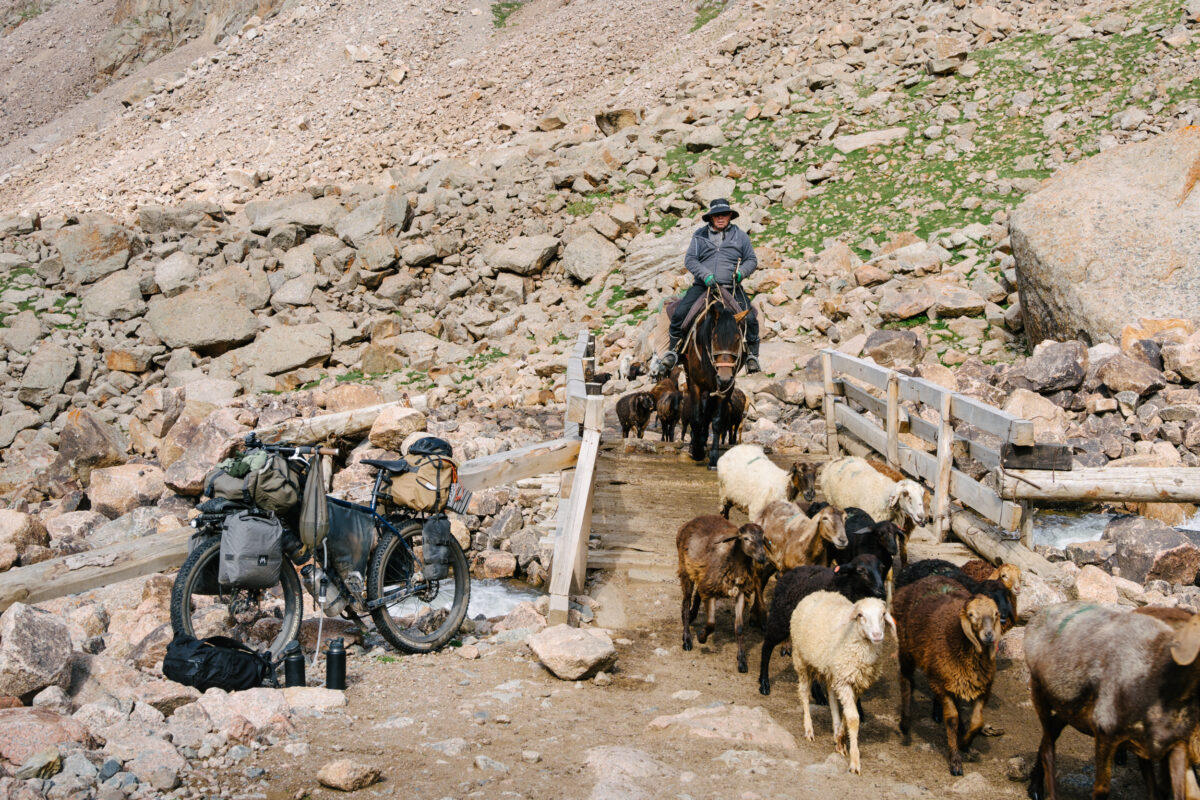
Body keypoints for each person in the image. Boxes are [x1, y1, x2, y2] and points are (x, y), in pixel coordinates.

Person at [658, 198, 761, 375]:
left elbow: (751, 259)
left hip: (731, 287)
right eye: (716, 215)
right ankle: (673, 351)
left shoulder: (741, 236)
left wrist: (741, 272)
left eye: (724, 214)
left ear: (730, 215)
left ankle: (752, 356)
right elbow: (690, 259)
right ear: (711, 217)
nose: (720, 218)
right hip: (703, 286)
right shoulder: (700, 235)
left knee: (750, 318)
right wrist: (705, 275)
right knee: (680, 314)